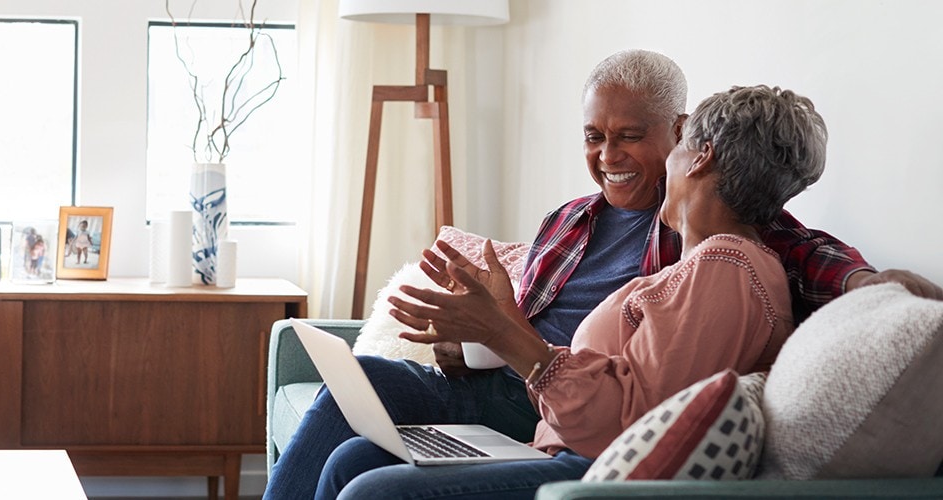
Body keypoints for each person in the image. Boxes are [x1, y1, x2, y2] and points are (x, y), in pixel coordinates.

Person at [262, 49, 943, 499]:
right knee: (353, 415)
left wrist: (867, 288)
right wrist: (472, 328)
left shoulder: (722, 253)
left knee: (364, 481)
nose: (607, 154)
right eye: (594, 136)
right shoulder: (571, 221)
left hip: (560, 418)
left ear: (686, 144)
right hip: (520, 390)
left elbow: (793, 247)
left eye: (630, 136)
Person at [318, 83, 816, 498]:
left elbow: (625, 425)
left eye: (678, 145)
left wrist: (502, 331)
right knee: (354, 457)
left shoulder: (723, 268)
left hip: (586, 470)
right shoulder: (708, 265)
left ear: (699, 156)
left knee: (371, 490)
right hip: (556, 441)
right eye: (594, 135)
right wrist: (497, 321)